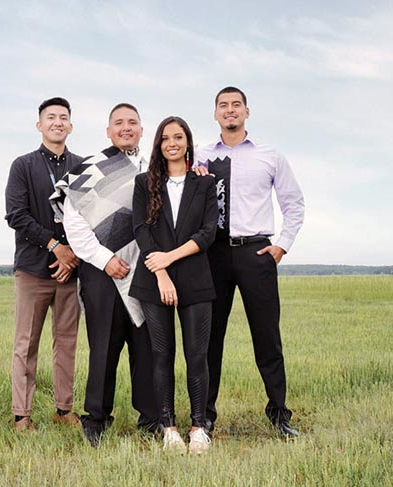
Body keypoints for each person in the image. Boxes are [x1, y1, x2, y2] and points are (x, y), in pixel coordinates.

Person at [194, 86, 305, 438]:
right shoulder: (198, 156)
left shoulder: (269, 156)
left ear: (246, 112)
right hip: (212, 255)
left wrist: (281, 246)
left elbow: (294, 204)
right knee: (209, 339)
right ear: (215, 114)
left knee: (267, 337)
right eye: (223, 106)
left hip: (256, 253)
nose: (230, 111)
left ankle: (279, 416)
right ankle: (204, 418)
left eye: (236, 105)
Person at [52, 103, 159, 446]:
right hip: (103, 271)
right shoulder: (90, 170)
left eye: (132, 123)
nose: (126, 128)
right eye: (119, 123)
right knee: (104, 346)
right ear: (108, 130)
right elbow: (75, 223)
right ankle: (96, 418)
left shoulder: (153, 169)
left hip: (146, 269)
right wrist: (104, 258)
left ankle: (152, 417)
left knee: (146, 345)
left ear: (142, 129)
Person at [130, 116, 218, 454]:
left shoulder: (205, 183)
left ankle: (198, 426)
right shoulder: (144, 183)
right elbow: (141, 230)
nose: (172, 143)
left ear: (187, 142)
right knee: (161, 355)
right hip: (154, 280)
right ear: (158, 144)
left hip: (196, 277)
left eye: (178, 137)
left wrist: (171, 258)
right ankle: (168, 427)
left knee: (197, 356)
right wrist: (162, 271)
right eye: (165, 138)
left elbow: (208, 232)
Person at [3, 97, 82, 432]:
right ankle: (22, 415)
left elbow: (91, 218)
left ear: (71, 125)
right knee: (27, 342)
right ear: (40, 125)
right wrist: (55, 247)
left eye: (63, 117)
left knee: (67, 342)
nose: (57, 122)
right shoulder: (23, 165)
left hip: (72, 271)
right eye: (51, 117)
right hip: (33, 269)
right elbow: (16, 215)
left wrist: (72, 255)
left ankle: (64, 410)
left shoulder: (82, 166)